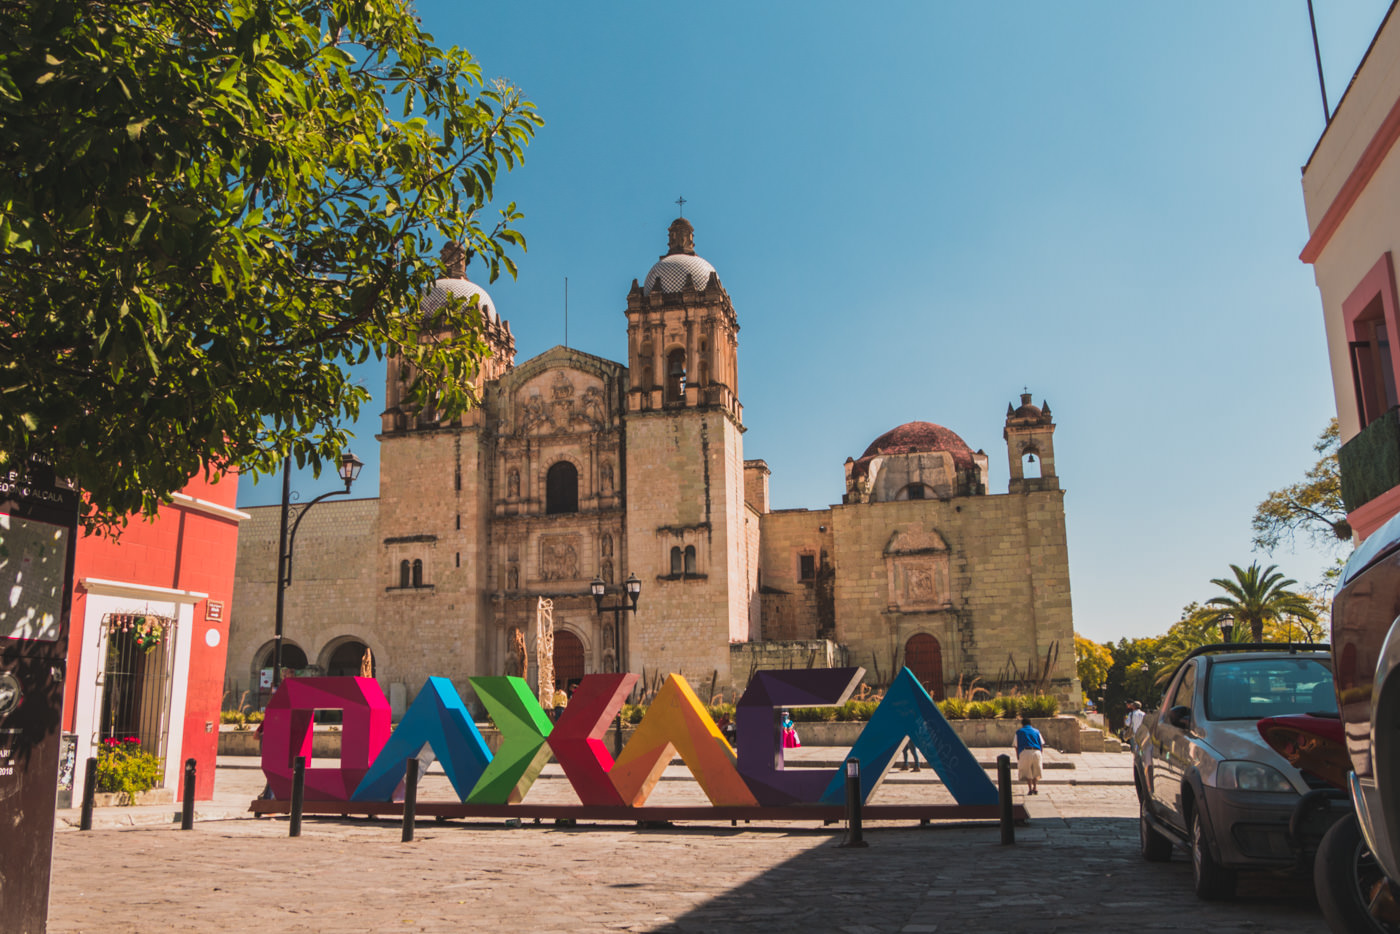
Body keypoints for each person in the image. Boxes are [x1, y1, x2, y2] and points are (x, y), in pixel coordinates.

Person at [1014, 715, 1044, 795]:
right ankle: (1035, 787)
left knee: (1027, 771)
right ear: (1030, 724)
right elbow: (1041, 744)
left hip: (1025, 752)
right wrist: (1041, 753)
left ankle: (1030, 789)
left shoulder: (1019, 732)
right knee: (1036, 770)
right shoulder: (1037, 731)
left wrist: (1018, 756)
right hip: (1036, 751)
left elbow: (1016, 746)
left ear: (1022, 724)